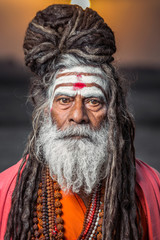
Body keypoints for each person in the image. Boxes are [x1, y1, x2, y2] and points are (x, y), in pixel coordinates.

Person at [0, 4, 160, 240]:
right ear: (47, 110)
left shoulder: (150, 190)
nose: (78, 115)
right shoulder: (5, 191)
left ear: (113, 112)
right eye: (64, 100)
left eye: (93, 101)